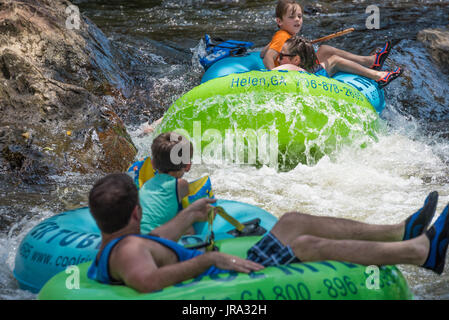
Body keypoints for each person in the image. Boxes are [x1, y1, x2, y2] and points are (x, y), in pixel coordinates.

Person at [87, 173, 449, 293]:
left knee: (291, 220)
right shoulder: (128, 252)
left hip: (219, 266)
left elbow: (159, 241)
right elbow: (146, 282)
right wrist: (211, 259)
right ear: (137, 212)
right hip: (224, 272)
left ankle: (398, 232)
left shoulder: (120, 241)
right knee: (306, 244)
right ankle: (419, 251)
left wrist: (190, 215)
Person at [261, 0, 395, 76]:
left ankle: (369, 61)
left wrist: (272, 45)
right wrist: (273, 76)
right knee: (332, 58)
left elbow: (262, 53)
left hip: (295, 66)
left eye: (300, 16)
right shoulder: (282, 36)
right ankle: (370, 63)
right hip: (293, 72)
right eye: (291, 17)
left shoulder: (283, 35)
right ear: (279, 21)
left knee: (324, 49)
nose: (297, 20)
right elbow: (267, 56)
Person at [274, 36, 403, 87]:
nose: (278, 59)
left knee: (324, 49)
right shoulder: (292, 67)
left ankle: (373, 65)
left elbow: (282, 69)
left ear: (296, 59)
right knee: (334, 60)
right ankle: (376, 71)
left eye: (281, 56)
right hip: (312, 77)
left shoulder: (291, 67)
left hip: (312, 78)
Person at [138, 132, 193, 234]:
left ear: (153, 164)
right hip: (155, 239)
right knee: (189, 226)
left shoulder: (146, 185)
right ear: (188, 165)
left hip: (135, 235)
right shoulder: (181, 185)